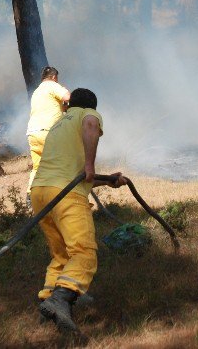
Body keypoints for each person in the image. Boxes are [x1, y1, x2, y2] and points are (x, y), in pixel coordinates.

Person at [30, 88, 127, 333]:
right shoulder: (88, 114)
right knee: (84, 252)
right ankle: (61, 300)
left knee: (62, 254)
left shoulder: (59, 124)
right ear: (90, 106)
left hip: (41, 192)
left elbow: (76, 176)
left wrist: (108, 180)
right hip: (65, 194)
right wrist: (90, 164)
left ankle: (47, 302)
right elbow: (92, 125)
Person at [26, 66, 70, 190]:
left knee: (37, 167)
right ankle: (62, 193)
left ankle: (30, 195)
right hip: (48, 132)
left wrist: (64, 108)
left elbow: (54, 108)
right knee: (62, 162)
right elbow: (68, 97)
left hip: (33, 134)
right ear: (54, 77)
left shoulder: (37, 91)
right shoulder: (52, 85)